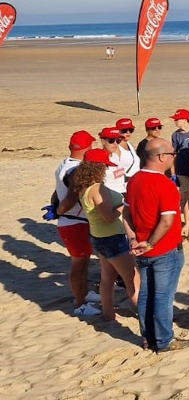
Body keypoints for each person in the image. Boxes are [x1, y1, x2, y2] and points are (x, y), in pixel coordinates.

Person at [127, 138, 189, 352]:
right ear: (161, 157)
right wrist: (149, 243)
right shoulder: (164, 184)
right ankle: (164, 339)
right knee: (163, 296)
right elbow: (166, 221)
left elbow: (126, 213)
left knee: (147, 293)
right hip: (163, 248)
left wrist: (133, 238)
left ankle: (148, 337)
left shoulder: (135, 180)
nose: (174, 158)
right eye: (172, 154)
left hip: (143, 247)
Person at [58, 149, 139, 322]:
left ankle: (108, 314)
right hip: (112, 237)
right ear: (98, 167)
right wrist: (124, 205)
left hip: (98, 236)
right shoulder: (97, 189)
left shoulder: (82, 187)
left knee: (107, 278)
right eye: (105, 166)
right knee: (133, 278)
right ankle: (142, 313)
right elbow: (109, 217)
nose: (107, 169)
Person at [53, 130, 101, 317]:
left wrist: (57, 207)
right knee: (78, 264)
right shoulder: (77, 170)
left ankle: (85, 293)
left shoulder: (64, 165)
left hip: (73, 221)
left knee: (84, 261)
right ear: (87, 147)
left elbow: (57, 192)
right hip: (74, 222)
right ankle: (80, 304)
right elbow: (71, 197)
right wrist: (60, 210)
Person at [169, 109, 189, 221]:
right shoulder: (175, 135)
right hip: (182, 169)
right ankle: (188, 222)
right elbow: (174, 154)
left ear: (185, 120)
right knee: (185, 197)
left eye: (177, 119)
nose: (175, 121)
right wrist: (173, 171)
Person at [99, 127, 128, 195]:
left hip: (123, 194)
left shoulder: (115, 156)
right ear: (103, 141)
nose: (115, 144)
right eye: (111, 140)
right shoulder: (99, 160)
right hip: (110, 197)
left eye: (118, 140)